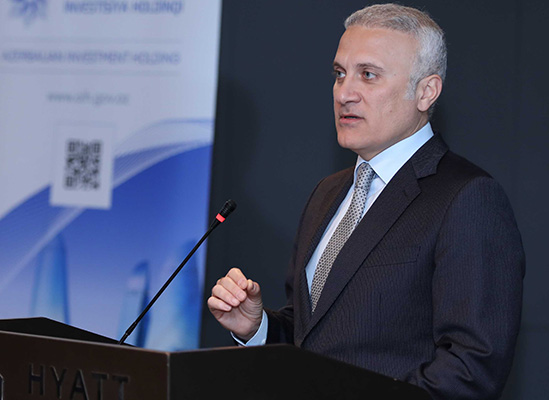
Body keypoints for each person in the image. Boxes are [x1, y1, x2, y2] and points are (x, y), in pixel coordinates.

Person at [208, 4, 524, 399]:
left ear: (426, 91)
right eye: (340, 74)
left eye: (368, 75)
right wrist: (258, 329)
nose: (345, 93)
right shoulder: (328, 192)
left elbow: (472, 368)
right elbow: (311, 337)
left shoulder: (467, 197)